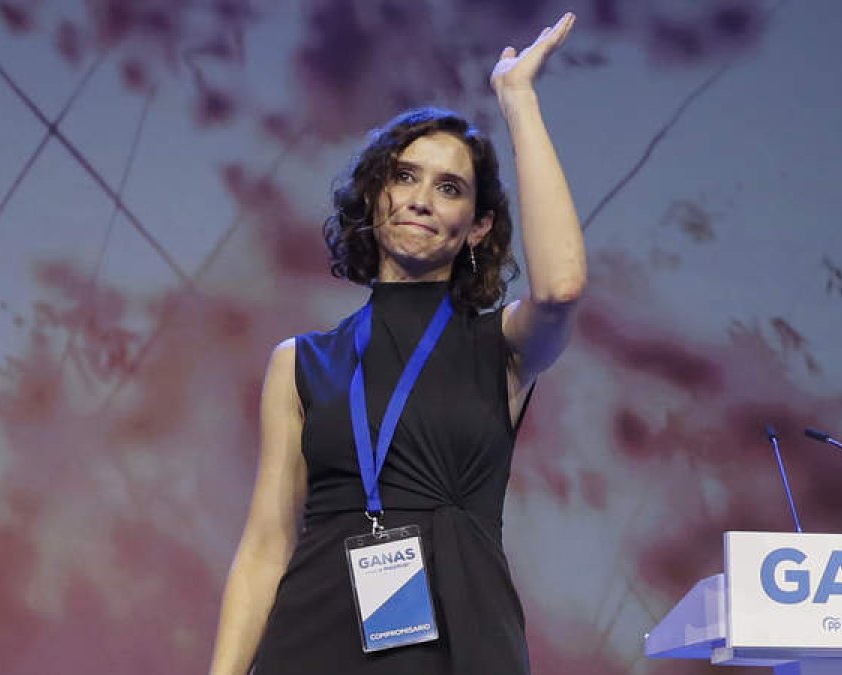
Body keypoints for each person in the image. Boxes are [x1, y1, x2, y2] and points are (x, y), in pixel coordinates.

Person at [208, 12, 585, 675]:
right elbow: (266, 545)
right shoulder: (300, 362)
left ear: (478, 226)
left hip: (463, 644)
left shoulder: (500, 348)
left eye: (450, 188)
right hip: (315, 642)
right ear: (375, 193)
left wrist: (518, 100)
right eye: (405, 177)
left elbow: (560, 288)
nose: (420, 199)